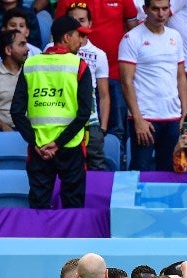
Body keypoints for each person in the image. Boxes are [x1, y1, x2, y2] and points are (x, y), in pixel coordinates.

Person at [10, 16, 93, 209]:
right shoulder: (79, 65)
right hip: (70, 147)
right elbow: (84, 113)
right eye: (79, 36)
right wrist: (57, 144)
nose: (81, 41)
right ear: (66, 37)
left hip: (39, 149)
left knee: (38, 207)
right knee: (73, 208)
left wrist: (36, 142)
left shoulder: (30, 65)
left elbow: (16, 112)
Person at [55, 0, 139, 143]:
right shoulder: (66, 1)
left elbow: (134, 32)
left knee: (117, 128)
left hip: (116, 72)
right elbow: (59, 31)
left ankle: (115, 160)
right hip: (77, 77)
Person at [119, 0, 187, 172]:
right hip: (146, 119)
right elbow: (126, 82)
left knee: (170, 171)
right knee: (140, 171)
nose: (161, 13)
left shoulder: (175, 36)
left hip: (172, 117)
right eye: (155, 9)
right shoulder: (131, 38)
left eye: (165, 9)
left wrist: (185, 112)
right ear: (145, 9)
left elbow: (180, 76)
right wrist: (138, 119)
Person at [66, 3, 110, 171]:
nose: (77, 24)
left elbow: (104, 94)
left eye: (82, 20)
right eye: (72, 20)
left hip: (91, 123)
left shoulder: (99, 54)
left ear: (90, 23)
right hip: (65, 120)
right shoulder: (52, 49)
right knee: (68, 168)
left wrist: (102, 128)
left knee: (96, 167)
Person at [0, 0, 42, 65]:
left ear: (27, 31)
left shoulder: (29, 14)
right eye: (13, 25)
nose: (17, 29)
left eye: (21, 26)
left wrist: (20, 49)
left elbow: (35, 41)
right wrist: (5, 51)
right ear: (4, 29)